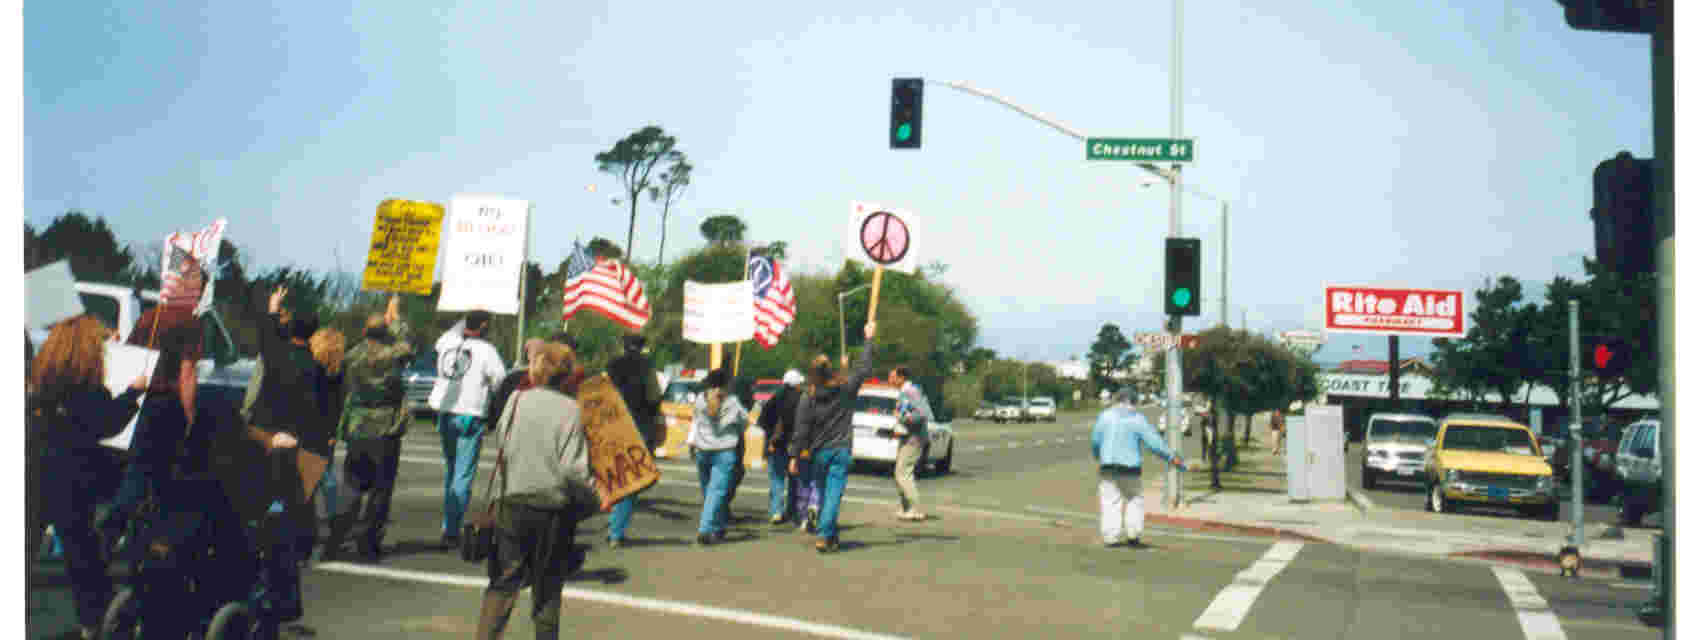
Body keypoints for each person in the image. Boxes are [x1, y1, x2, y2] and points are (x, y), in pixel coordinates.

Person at [28, 315, 148, 640]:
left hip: (34, 466)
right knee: (81, 554)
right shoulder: (87, 388)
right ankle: (92, 622)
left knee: (26, 546)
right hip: (71, 475)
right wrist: (133, 393)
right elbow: (107, 422)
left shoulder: (41, 379)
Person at [476, 342, 598, 640]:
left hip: (511, 503)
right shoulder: (570, 410)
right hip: (551, 510)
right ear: (568, 375)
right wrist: (594, 496)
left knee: (502, 584)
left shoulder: (516, 399)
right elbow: (573, 470)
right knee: (547, 589)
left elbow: (503, 445)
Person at [98, 251, 207, 547]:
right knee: (159, 476)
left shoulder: (150, 316)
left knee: (140, 471)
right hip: (167, 405)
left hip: (139, 399)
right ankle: (129, 537)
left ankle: (122, 535)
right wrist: (190, 416)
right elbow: (187, 373)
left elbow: (128, 355)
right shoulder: (192, 322)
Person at [244, 285, 334, 624]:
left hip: (264, 442)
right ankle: (284, 597)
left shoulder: (276, 356)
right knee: (285, 529)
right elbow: (322, 417)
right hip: (296, 450)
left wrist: (272, 307)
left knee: (256, 518)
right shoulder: (317, 371)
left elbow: (265, 334)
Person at [322, 294, 412, 563]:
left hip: (358, 427)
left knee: (351, 487)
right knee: (380, 491)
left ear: (364, 332)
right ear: (385, 333)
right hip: (386, 428)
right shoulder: (393, 354)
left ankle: (336, 538)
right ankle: (369, 543)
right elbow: (406, 346)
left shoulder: (352, 356)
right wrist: (395, 319)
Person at [789, 322, 879, 553]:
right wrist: (868, 339)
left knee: (824, 494)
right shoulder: (844, 390)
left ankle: (829, 534)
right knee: (832, 496)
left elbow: (801, 429)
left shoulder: (809, 396)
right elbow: (863, 368)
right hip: (840, 448)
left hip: (819, 451)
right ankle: (825, 535)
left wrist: (795, 456)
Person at [427, 309, 508, 549]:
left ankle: (449, 523)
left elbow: (449, 334)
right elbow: (500, 380)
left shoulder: (447, 342)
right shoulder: (487, 350)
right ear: (483, 326)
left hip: (445, 410)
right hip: (470, 414)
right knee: (462, 475)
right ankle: (451, 531)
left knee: (452, 472)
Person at [1091, 388, 1186, 548]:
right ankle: (1133, 535)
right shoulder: (1137, 419)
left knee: (1110, 501)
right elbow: (1154, 443)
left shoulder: (1104, 416)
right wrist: (1171, 457)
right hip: (1130, 469)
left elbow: (1095, 440)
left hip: (1107, 467)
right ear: (1134, 402)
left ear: (1116, 400)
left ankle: (1111, 536)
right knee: (1134, 500)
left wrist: (1098, 455)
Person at [603, 334, 662, 548]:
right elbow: (654, 397)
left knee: (616, 477)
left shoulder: (612, 366)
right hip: (638, 426)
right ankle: (616, 531)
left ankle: (614, 525)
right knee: (633, 480)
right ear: (641, 347)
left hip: (612, 425)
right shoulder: (646, 366)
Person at [685, 368, 746, 546]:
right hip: (725, 451)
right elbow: (744, 422)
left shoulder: (700, 400)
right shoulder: (732, 402)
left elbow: (696, 421)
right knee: (717, 492)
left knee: (708, 492)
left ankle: (718, 526)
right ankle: (705, 529)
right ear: (726, 384)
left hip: (703, 450)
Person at [758, 369, 805, 525]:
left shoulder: (775, 398)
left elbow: (762, 421)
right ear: (797, 384)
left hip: (776, 445)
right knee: (795, 480)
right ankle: (792, 511)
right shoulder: (802, 399)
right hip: (795, 446)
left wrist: (770, 436)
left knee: (776, 480)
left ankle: (776, 511)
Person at [888, 365, 931, 522]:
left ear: (901, 378)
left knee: (903, 472)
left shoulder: (911, 391)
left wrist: (900, 417)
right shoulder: (905, 391)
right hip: (907, 437)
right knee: (900, 472)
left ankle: (915, 509)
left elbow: (922, 414)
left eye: (892, 377)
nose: (890, 380)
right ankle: (907, 508)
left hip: (914, 438)